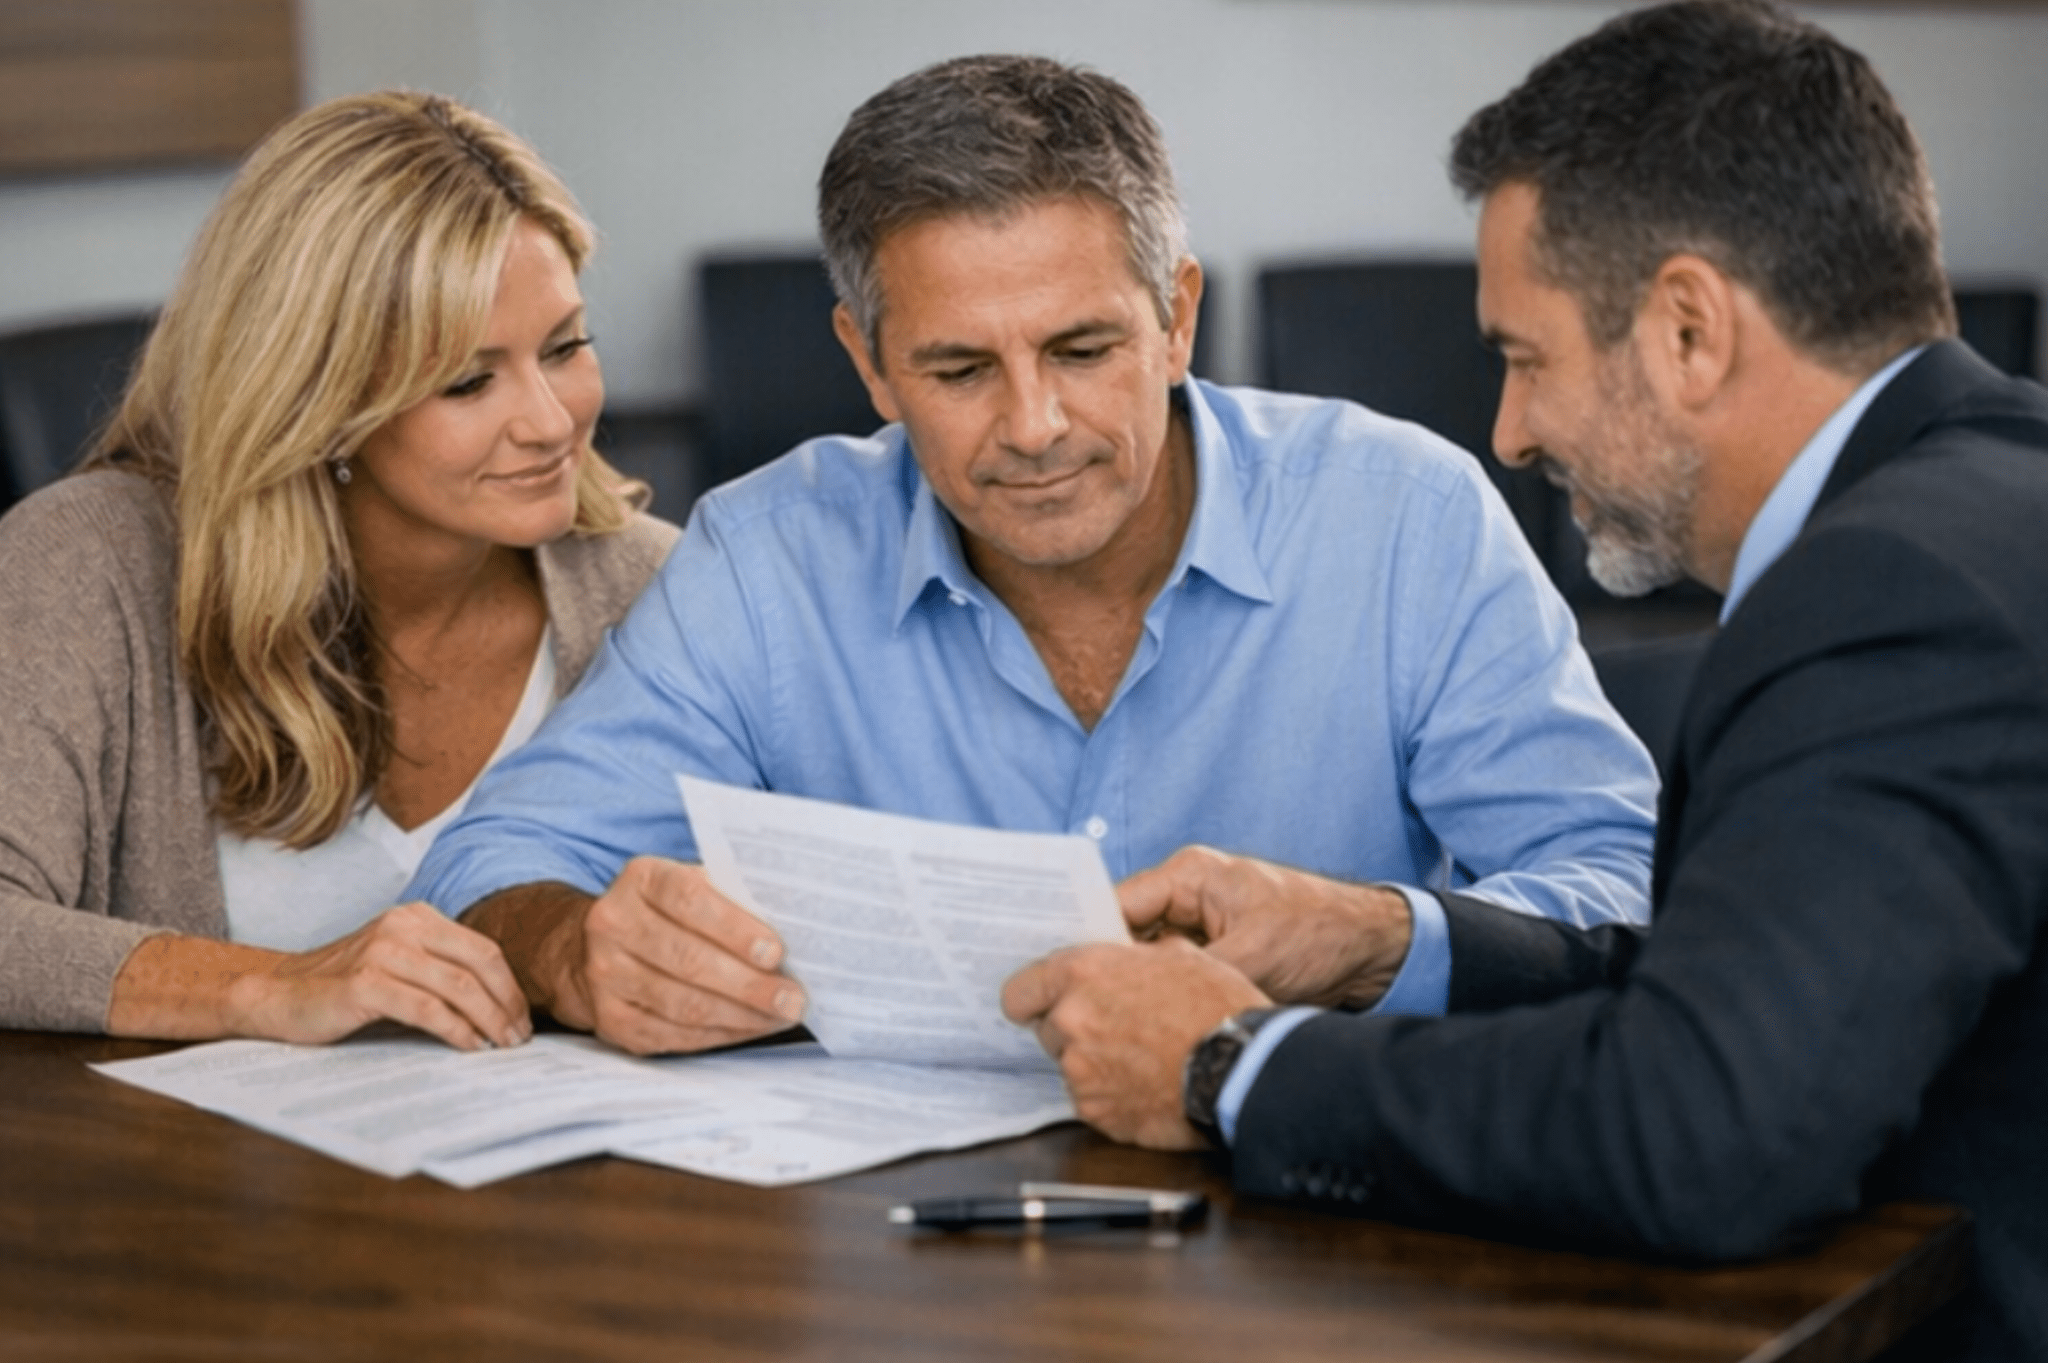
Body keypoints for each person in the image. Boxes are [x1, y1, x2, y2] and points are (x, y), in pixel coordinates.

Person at [1001, 3, 2048, 1357]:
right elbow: (1771, 979)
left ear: (1687, 328)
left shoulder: (1885, 595)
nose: (1508, 430)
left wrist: (1230, 1064)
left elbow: (1705, 1127)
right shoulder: (1995, 499)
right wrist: (1384, 937)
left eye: (1522, 355)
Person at [407, 55, 1657, 1058]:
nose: (1034, 426)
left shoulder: (1403, 518)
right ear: (868, 364)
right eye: (958, 369)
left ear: (1175, 316)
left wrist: (1374, 935)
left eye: (1080, 349)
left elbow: (1624, 888)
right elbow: (496, 860)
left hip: (1309, 1207)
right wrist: (579, 949)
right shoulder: (765, 555)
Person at [0, 92, 677, 1051]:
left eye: (565, 348)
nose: (550, 419)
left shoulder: (654, 589)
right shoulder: (87, 566)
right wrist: (268, 988)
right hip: (175, 1192)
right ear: (317, 401)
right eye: (469, 381)